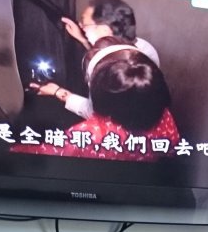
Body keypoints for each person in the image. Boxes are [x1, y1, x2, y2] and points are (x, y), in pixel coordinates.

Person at [14, 44, 180, 161]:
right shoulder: (165, 117)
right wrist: (59, 92)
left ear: (99, 97)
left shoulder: (88, 136)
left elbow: (38, 157)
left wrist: (9, 149)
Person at [33, 0, 160, 120]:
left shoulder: (111, 68)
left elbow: (97, 113)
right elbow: (108, 54)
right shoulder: (145, 48)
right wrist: (83, 39)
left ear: (104, 30)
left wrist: (58, 92)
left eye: (85, 25)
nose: (81, 26)